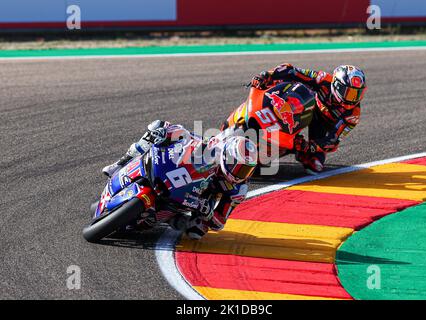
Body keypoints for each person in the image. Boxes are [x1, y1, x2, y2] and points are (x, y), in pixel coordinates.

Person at [102, 120, 257, 240]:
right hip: (188, 175)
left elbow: (219, 222)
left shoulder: (239, 190)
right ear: (227, 157)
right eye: (240, 167)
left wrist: (208, 212)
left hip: (200, 199)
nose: (241, 174)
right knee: (159, 126)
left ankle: (171, 219)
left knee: (197, 231)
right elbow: (190, 137)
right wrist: (168, 133)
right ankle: (120, 163)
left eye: (247, 169)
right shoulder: (215, 147)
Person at [251, 64, 367, 174]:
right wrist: (267, 75)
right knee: (287, 90)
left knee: (315, 165)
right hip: (306, 107)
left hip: (322, 124)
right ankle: (262, 118)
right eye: (349, 93)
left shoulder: (353, 115)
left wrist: (309, 146)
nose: (353, 99)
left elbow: (333, 141)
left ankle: (290, 148)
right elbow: (292, 71)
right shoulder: (323, 79)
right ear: (337, 85)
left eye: (357, 94)